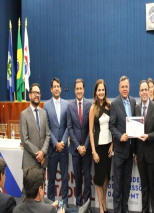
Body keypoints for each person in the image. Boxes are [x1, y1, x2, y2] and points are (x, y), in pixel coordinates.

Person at [134, 80, 154, 213]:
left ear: (149, 91)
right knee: (143, 187)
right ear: (139, 92)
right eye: (142, 90)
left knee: (152, 186)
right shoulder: (136, 108)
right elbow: (134, 133)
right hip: (140, 155)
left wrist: (148, 136)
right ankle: (144, 210)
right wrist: (135, 153)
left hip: (152, 155)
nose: (144, 92)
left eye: (146, 89)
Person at [19, 83, 51, 202]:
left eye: (38, 93)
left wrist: (43, 152)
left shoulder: (43, 113)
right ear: (30, 95)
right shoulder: (24, 114)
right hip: (30, 162)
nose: (37, 95)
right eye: (34, 93)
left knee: (40, 194)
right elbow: (24, 139)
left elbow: (47, 134)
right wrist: (38, 154)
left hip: (42, 163)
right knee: (27, 195)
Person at [110, 76, 136, 213]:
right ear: (119, 88)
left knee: (127, 183)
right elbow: (112, 126)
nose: (125, 89)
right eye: (122, 87)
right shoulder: (114, 104)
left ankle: (125, 209)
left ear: (129, 87)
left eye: (127, 86)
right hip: (120, 151)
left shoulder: (133, 101)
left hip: (130, 151)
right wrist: (120, 137)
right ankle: (117, 210)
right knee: (118, 184)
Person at [43, 78, 69, 206]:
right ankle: (50, 205)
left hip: (64, 149)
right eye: (55, 86)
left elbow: (68, 126)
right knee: (51, 180)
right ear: (51, 89)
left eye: (58, 86)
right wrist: (55, 144)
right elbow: (47, 128)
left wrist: (62, 143)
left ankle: (64, 205)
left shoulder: (66, 104)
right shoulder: (46, 106)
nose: (57, 88)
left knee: (65, 179)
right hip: (52, 150)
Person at [67, 79, 92, 210]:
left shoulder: (89, 105)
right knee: (77, 180)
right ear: (74, 90)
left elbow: (90, 128)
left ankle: (87, 206)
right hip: (76, 151)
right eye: (77, 88)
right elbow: (70, 128)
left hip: (87, 150)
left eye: (81, 88)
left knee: (87, 180)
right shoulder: (70, 106)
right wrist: (78, 146)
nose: (79, 91)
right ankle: (78, 205)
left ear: (84, 89)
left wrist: (85, 146)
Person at [89, 79, 113, 213]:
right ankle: (100, 207)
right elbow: (91, 132)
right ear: (95, 92)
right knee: (98, 178)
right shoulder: (93, 108)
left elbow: (113, 127)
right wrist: (93, 151)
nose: (101, 92)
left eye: (103, 89)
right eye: (99, 90)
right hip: (98, 148)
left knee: (106, 177)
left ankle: (104, 200)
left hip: (108, 148)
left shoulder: (110, 106)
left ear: (105, 91)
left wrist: (112, 146)